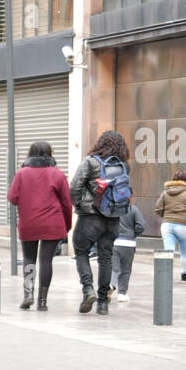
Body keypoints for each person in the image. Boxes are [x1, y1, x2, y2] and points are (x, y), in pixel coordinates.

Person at [69, 130, 132, 315]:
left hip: (90, 217)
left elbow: (74, 186)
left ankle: (88, 290)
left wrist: (80, 204)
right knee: (106, 257)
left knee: (81, 252)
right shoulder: (124, 165)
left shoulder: (91, 161)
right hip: (113, 218)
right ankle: (103, 303)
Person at [7, 141, 71, 311]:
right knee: (46, 260)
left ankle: (28, 295)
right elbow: (66, 203)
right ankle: (42, 302)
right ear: (50, 154)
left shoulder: (21, 173)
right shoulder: (57, 174)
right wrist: (67, 225)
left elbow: (12, 197)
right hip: (53, 223)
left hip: (29, 223)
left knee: (29, 258)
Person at [155, 170, 186, 281]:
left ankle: (166, 276)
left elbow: (158, 208)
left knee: (168, 251)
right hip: (184, 225)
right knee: (185, 251)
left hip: (167, 224)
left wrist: (166, 216)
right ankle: (184, 275)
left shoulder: (165, 192)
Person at [110, 202, 146, 303]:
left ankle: (111, 284)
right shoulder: (133, 209)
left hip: (113, 242)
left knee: (113, 267)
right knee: (125, 269)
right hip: (128, 243)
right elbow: (141, 225)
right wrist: (132, 234)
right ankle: (122, 294)